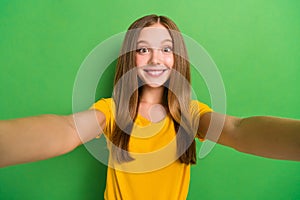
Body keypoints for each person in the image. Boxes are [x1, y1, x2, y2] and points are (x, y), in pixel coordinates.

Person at [0, 14, 299, 199]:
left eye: (166, 49)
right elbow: (67, 128)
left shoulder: (191, 114)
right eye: (144, 49)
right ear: (131, 57)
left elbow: (238, 130)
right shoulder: (112, 111)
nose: (156, 59)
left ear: (176, 58)